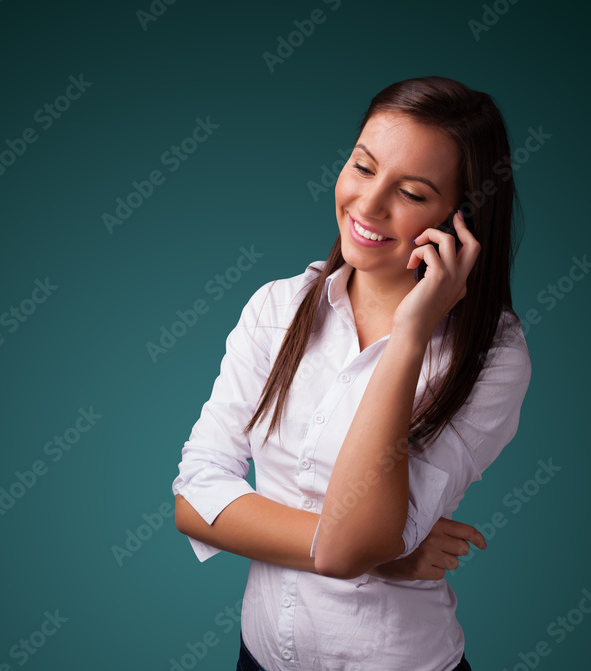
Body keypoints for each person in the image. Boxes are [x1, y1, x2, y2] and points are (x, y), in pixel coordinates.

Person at [171, 76, 532, 671]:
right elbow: (195, 495)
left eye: (411, 192)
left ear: (460, 220)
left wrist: (410, 335)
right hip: (259, 658)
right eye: (363, 167)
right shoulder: (278, 308)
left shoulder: (491, 354)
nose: (369, 205)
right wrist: (381, 555)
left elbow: (353, 545)